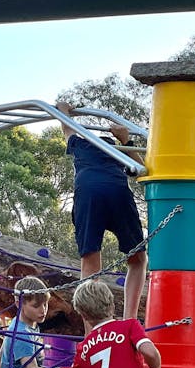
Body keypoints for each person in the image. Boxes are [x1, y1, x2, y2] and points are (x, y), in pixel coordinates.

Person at [55, 102, 147, 320]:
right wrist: (126, 140)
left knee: (90, 264)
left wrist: (64, 110)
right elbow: (142, 170)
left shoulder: (80, 144)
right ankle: (130, 321)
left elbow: (66, 126)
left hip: (88, 193)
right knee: (138, 259)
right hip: (117, 191)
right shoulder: (118, 149)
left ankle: (92, 330)